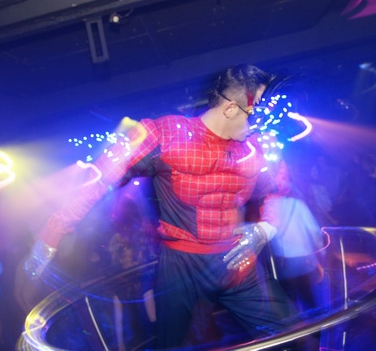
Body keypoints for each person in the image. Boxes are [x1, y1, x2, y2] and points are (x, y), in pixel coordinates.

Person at [25, 64, 294, 349]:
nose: (259, 122)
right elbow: (99, 180)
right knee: (171, 347)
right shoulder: (165, 134)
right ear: (230, 108)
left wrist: (265, 229)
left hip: (237, 262)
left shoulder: (258, 146)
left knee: (296, 336)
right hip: (180, 269)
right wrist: (50, 236)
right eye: (255, 112)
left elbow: (278, 191)